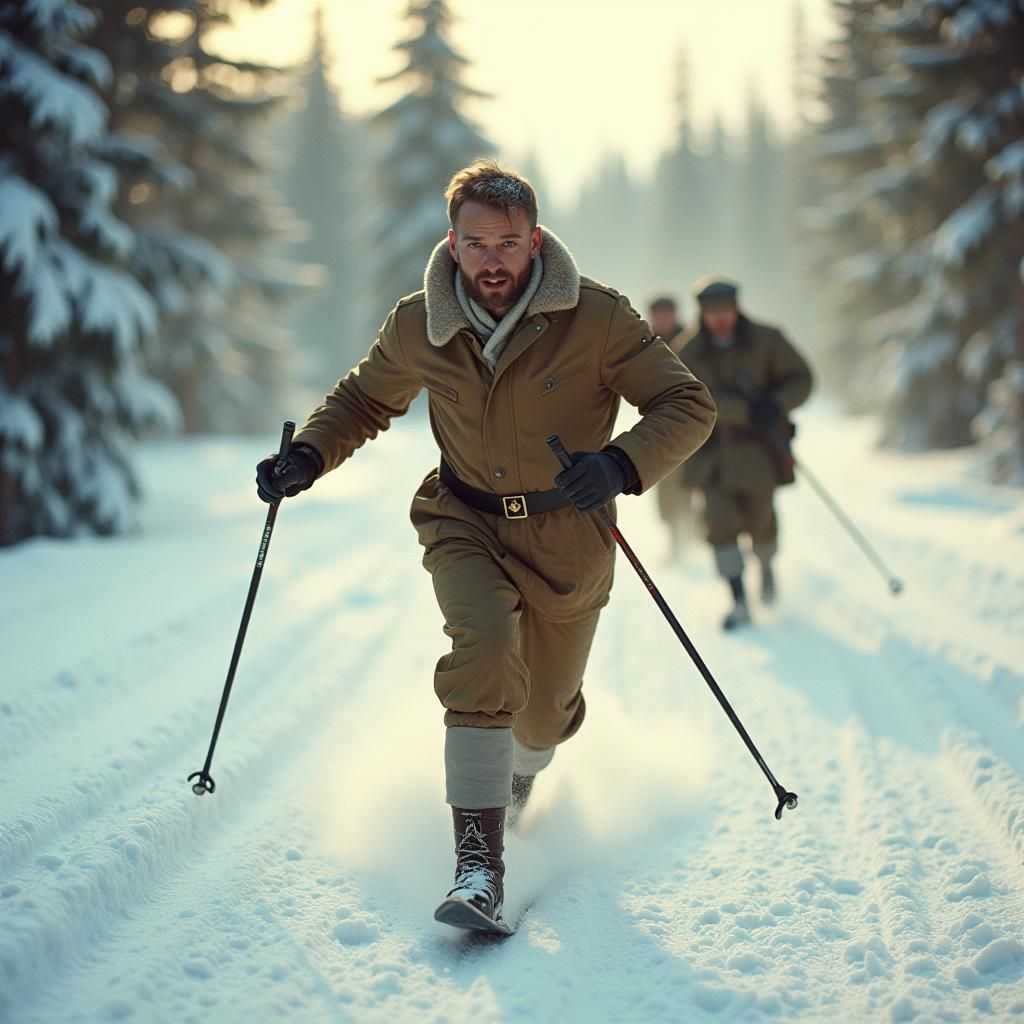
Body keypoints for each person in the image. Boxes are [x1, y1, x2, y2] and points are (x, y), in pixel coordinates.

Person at [255, 161, 716, 932]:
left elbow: (686, 403)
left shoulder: (597, 316)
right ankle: (478, 866)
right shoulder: (420, 322)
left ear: (534, 240)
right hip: (463, 518)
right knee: (486, 648)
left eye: (507, 242)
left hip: (569, 534)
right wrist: (308, 453)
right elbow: (365, 399)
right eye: (476, 244)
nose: (492, 260)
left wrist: (620, 464)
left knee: (542, 720)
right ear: (453, 243)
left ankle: (521, 779)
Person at [678, 276, 813, 630]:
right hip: (712, 456)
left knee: (761, 521)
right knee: (718, 525)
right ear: (701, 313)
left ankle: (765, 566)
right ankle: (738, 599)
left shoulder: (768, 340)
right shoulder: (687, 352)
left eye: (725, 310)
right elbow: (680, 398)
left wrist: (776, 403)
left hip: (759, 452)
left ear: (737, 307)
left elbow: (802, 379)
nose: (720, 318)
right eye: (712, 312)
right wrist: (739, 410)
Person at [648, 296, 702, 560]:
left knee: (692, 485)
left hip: (691, 427)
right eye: (658, 316)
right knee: (666, 490)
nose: (662, 320)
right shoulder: (644, 342)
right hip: (660, 429)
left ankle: (694, 536)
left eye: (666, 315)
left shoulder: (691, 343)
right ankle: (676, 540)